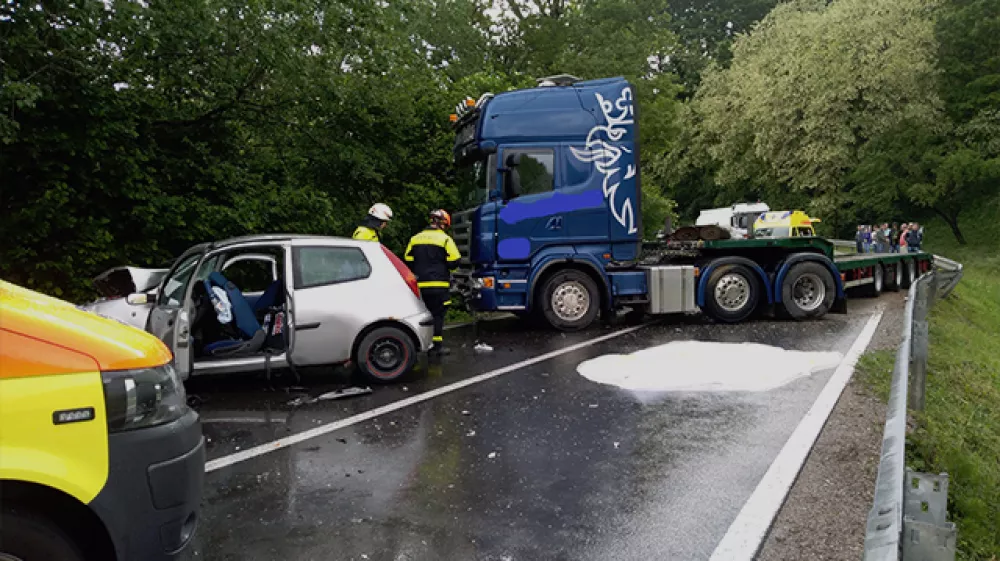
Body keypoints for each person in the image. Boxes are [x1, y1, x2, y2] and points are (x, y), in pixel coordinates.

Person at [405, 209, 461, 356]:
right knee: (438, 315)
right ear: (443, 224)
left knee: (423, 315)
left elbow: (408, 259)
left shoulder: (415, 238)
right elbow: (455, 260)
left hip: (420, 285)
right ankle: (437, 346)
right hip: (439, 284)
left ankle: (421, 344)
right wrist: (443, 264)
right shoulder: (445, 239)